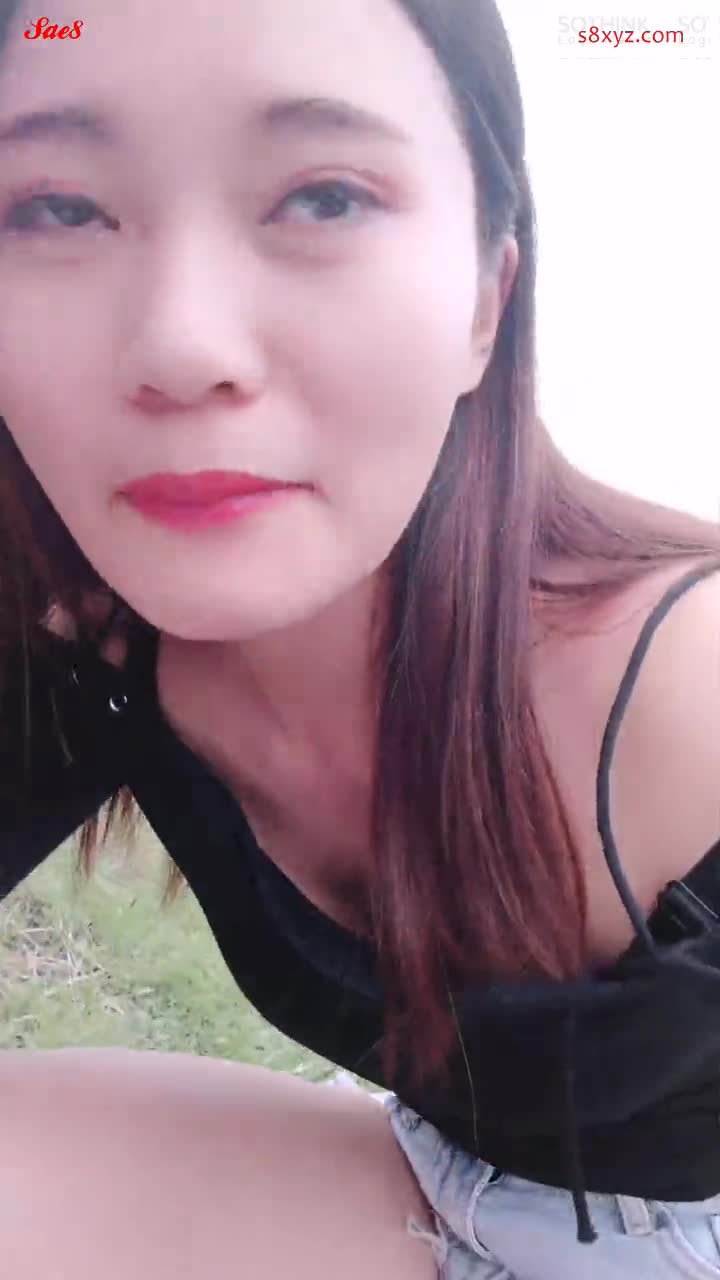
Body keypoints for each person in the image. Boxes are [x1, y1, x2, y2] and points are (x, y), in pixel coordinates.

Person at [0, 0, 718, 1276]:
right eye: (60, 208)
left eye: (323, 197)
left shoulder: (685, 689)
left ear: (488, 301)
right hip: (434, 1192)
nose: (181, 344)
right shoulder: (99, 649)